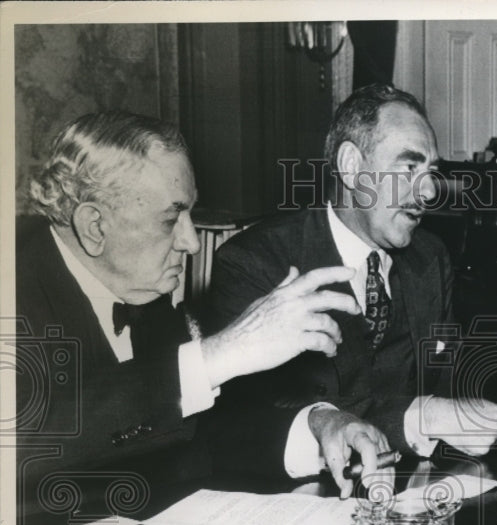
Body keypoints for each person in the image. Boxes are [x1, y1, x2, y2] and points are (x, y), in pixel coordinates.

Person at [16, 110, 390, 504]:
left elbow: (198, 437)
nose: (192, 243)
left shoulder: (142, 289)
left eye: (190, 213)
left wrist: (318, 427)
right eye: (170, 219)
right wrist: (218, 355)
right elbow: (31, 435)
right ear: (94, 226)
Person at [206, 84, 497, 474]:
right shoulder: (256, 262)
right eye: (409, 167)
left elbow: (444, 394)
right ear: (352, 166)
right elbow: (245, 424)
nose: (428, 191)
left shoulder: (431, 257)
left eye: (431, 172)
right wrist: (423, 416)